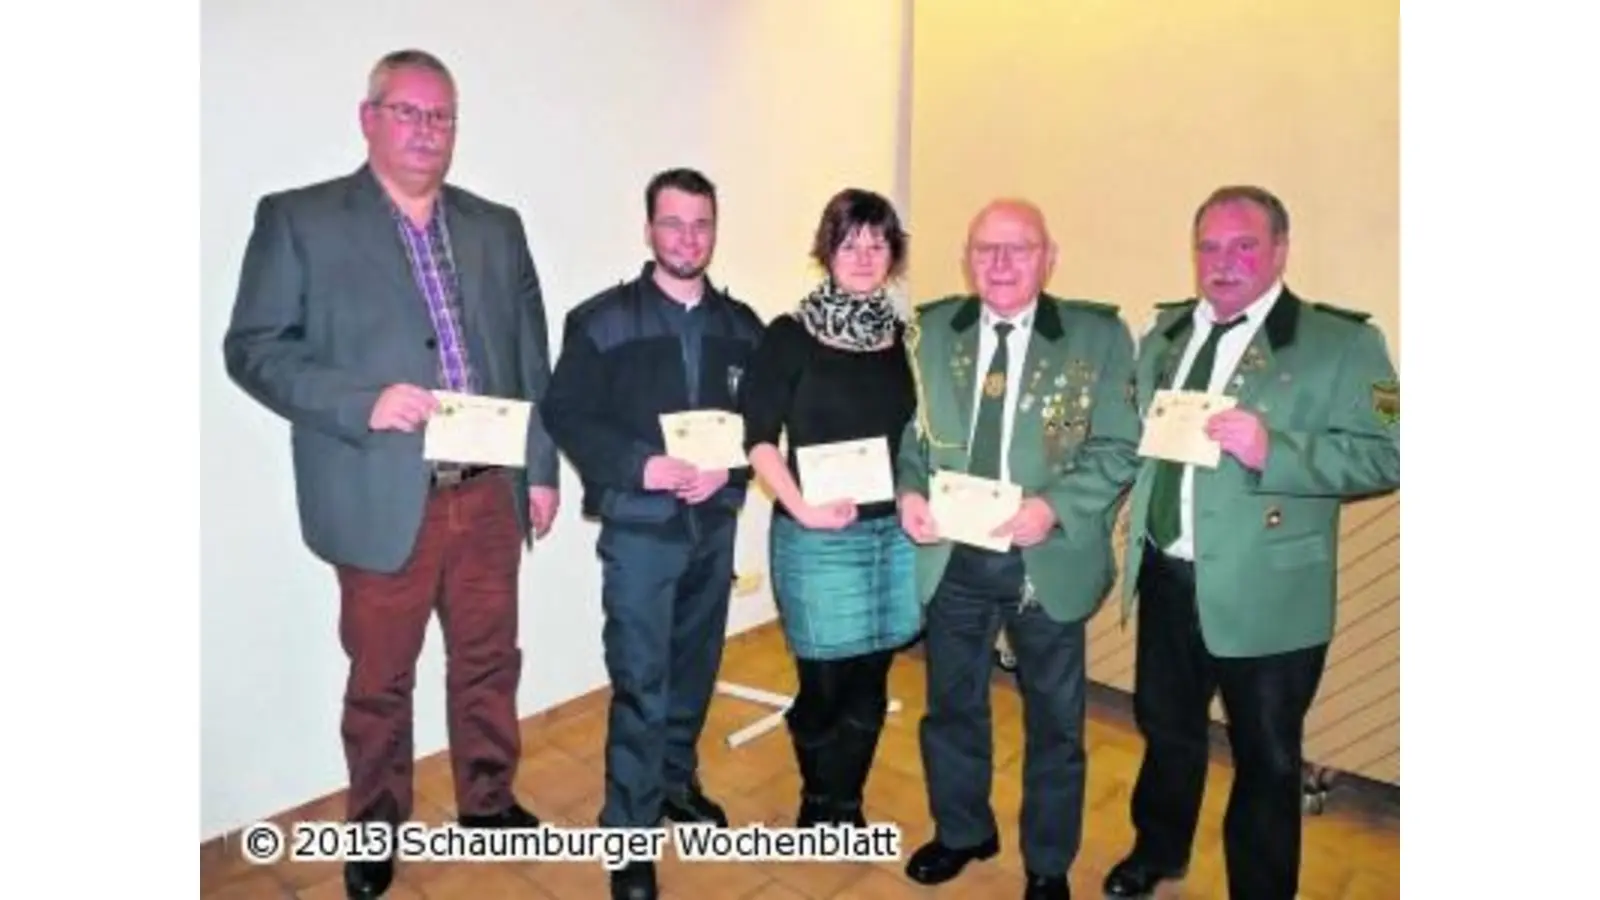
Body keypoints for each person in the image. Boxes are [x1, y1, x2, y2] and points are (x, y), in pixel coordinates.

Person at [221, 49, 561, 900]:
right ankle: (375, 827)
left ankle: (487, 800)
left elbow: (531, 361)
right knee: (380, 681)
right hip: (379, 497)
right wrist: (359, 400)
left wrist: (543, 471)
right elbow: (252, 348)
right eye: (407, 112)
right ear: (368, 117)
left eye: (440, 116)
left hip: (486, 493)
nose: (425, 130)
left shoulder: (496, 225)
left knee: (489, 661)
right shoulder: (299, 220)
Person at [1100, 185, 1400, 900]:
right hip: (1170, 576)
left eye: (1244, 245)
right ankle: (1159, 850)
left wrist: (1277, 450)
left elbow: (1391, 452)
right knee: (1167, 729)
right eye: (1209, 246)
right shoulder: (1167, 334)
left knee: (1267, 758)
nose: (1223, 262)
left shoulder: (1341, 342)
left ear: (1280, 250)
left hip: (1271, 596)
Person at [894, 199, 1142, 900]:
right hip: (954, 559)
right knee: (951, 706)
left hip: (1045, 558)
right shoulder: (933, 330)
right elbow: (911, 439)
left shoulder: (1096, 336)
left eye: (1019, 249)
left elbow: (1120, 445)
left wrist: (1053, 508)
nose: (1000, 265)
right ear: (966, 258)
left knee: (1056, 724)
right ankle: (964, 830)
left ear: (1049, 256)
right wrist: (911, 491)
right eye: (985, 250)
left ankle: (1048, 862)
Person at [541, 168, 764, 900]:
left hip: (713, 525)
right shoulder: (600, 321)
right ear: (649, 230)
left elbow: (758, 427)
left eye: (701, 224)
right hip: (642, 530)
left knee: (695, 668)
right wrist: (646, 466)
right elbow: (568, 414)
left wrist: (725, 476)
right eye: (673, 223)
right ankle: (629, 833)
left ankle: (675, 782)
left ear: (714, 230)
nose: (687, 238)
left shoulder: (743, 328)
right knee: (642, 678)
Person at [737, 188, 921, 830]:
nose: (865, 256)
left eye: (878, 243)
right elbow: (757, 436)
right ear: (828, 251)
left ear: (893, 253)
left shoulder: (906, 338)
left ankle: (848, 803)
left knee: (871, 678)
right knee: (823, 685)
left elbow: (920, 438)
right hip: (816, 538)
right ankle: (817, 799)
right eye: (851, 243)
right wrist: (802, 508)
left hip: (892, 538)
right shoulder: (790, 334)